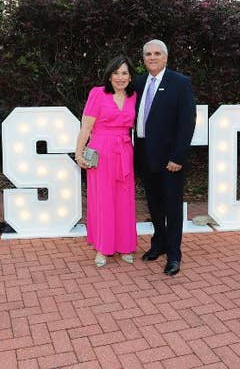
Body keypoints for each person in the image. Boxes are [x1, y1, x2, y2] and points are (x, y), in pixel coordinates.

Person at [133, 39, 196, 276]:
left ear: (166, 57)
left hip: (170, 158)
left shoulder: (180, 83)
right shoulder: (138, 82)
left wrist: (178, 156)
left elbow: (187, 123)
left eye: (157, 53)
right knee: (154, 204)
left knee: (172, 206)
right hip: (144, 154)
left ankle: (174, 255)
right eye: (148, 53)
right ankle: (158, 244)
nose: (152, 57)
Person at [75, 55, 138, 267]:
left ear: (130, 77)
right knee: (103, 201)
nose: (120, 77)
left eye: (124, 73)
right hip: (101, 151)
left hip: (124, 151)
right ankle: (103, 248)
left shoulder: (133, 97)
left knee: (124, 200)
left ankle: (125, 246)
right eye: (116, 73)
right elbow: (85, 127)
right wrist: (79, 152)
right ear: (109, 75)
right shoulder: (98, 94)